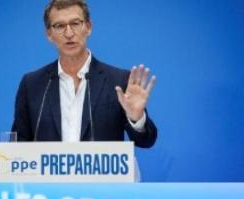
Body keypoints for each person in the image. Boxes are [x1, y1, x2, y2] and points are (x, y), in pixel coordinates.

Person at [12, 0, 157, 147]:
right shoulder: (32, 85)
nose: (69, 33)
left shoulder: (118, 81)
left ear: (88, 27)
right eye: (60, 26)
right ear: (49, 34)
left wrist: (137, 119)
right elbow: (18, 144)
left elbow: (146, 141)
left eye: (75, 23)